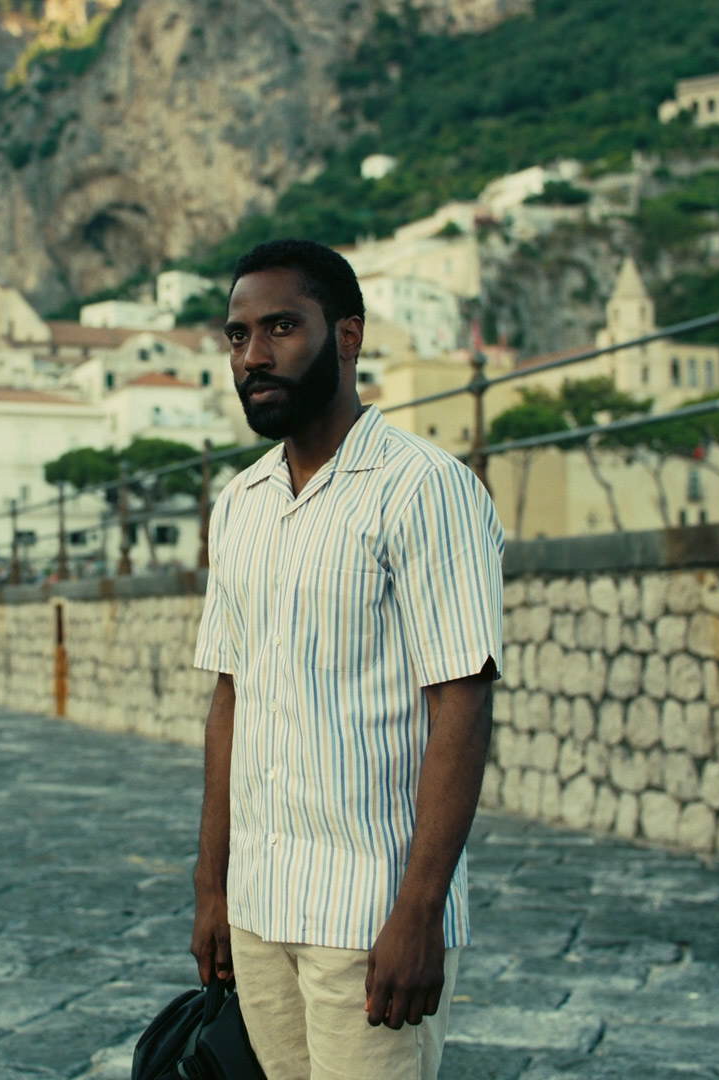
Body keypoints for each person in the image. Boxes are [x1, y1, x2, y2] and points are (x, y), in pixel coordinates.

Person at [189, 239, 504, 1080]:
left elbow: (462, 704)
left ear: (349, 336)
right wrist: (212, 887)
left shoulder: (426, 489)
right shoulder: (240, 504)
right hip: (258, 908)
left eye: (282, 327)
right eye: (238, 334)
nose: (254, 355)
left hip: (369, 917)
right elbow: (231, 700)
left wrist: (420, 914)